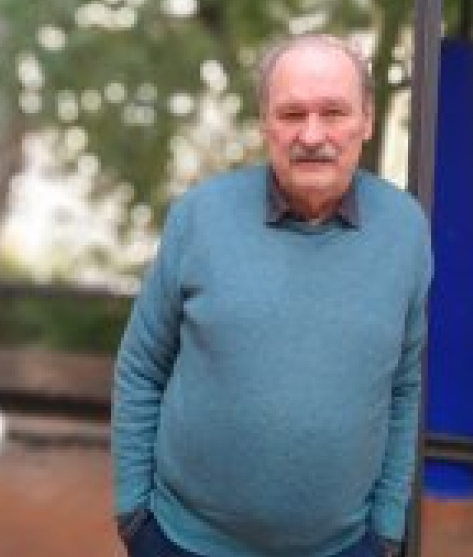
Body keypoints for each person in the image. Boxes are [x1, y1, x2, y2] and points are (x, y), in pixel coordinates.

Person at [111, 33, 432, 557]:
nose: (312, 134)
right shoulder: (199, 217)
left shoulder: (405, 229)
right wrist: (133, 513)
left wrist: (387, 525)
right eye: (291, 114)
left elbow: (403, 385)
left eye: (333, 112)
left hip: (345, 547)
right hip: (183, 540)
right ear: (265, 122)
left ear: (367, 121)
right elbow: (141, 368)